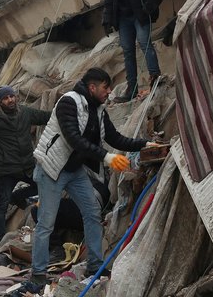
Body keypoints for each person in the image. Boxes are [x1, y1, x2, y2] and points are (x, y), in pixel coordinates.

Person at [30, 68, 158, 284]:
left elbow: (115, 138)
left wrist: (144, 144)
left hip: (74, 170)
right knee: (46, 222)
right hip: (52, 168)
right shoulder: (68, 103)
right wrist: (107, 158)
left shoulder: (98, 110)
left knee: (92, 212)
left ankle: (94, 266)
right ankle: (38, 273)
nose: (109, 91)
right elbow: (73, 138)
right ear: (92, 87)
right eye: (105, 87)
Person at [0, 86, 51, 244]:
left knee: (44, 185)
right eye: (6, 98)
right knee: (1, 205)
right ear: (0, 101)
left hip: (26, 165)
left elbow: (45, 117)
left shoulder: (25, 112)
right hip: (5, 169)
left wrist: (63, 111)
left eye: (12, 96)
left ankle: (18, 196)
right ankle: (0, 241)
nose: (10, 100)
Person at [102, 0, 164, 102]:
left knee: (144, 43)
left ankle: (156, 79)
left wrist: (148, 8)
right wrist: (106, 20)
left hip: (141, 14)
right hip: (124, 18)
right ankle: (132, 89)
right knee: (127, 50)